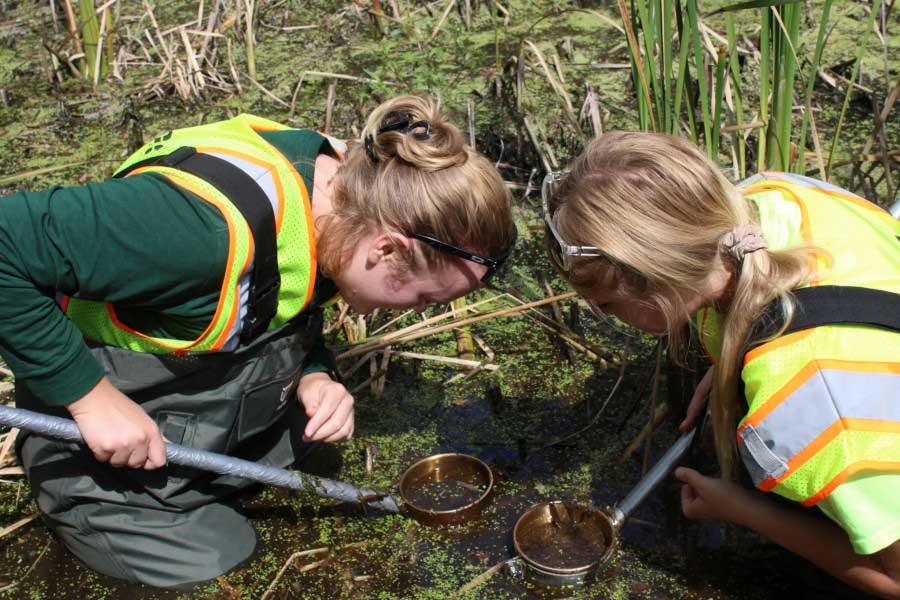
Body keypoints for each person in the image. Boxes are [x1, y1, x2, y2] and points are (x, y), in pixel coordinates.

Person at [0, 94, 516, 588]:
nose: (416, 312)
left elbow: (283, 295)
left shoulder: (356, 193)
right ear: (386, 249)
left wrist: (315, 371)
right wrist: (92, 402)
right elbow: (5, 244)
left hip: (196, 383)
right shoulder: (196, 229)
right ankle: (90, 504)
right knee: (222, 555)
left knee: (318, 452)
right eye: (424, 299)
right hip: (90, 419)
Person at [541, 131, 900, 599]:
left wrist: (745, 510)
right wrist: (737, 355)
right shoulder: (761, 202)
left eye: (606, 303)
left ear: (663, 283)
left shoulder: (816, 413)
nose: (601, 316)